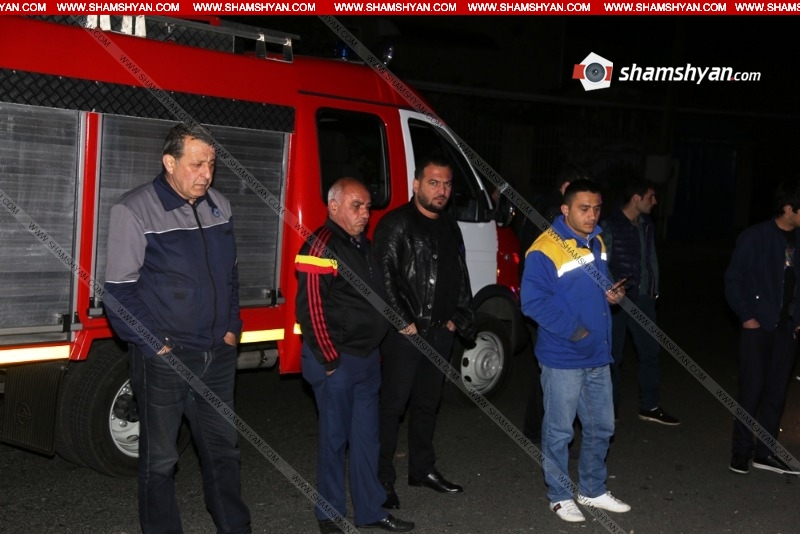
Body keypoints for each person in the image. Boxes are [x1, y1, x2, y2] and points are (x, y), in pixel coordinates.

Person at [104, 123, 251, 534]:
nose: (206, 174)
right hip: (166, 359)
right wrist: (156, 345)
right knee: (161, 461)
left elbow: (230, 276)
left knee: (224, 451)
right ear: (169, 162)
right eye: (196, 164)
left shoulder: (219, 205)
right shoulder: (134, 210)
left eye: (212, 164)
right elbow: (118, 291)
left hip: (216, 354)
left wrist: (232, 328)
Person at [295, 178, 415, 533]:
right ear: (334, 207)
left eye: (367, 207)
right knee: (333, 442)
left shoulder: (363, 245)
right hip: (337, 360)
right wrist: (330, 360)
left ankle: (370, 510)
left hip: (366, 359)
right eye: (356, 206)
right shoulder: (320, 246)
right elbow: (311, 309)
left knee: (366, 440)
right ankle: (329, 515)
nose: (365, 213)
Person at [521, 179, 631, 523]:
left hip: (597, 354)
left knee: (602, 427)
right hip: (563, 358)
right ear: (565, 209)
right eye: (584, 208)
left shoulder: (596, 240)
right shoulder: (544, 249)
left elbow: (598, 285)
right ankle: (558, 496)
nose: (592, 215)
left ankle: (592, 489)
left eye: (596, 208)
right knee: (559, 431)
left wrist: (611, 294)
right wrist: (575, 331)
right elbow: (532, 303)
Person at [374, 155, 476, 510]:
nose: (441, 190)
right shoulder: (397, 223)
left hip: (439, 333)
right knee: (391, 408)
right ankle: (381, 480)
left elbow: (459, 273)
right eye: (434, 183)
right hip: (405, 335)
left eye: (447, 184)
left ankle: (422, 469)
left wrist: (458, 317)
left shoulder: (449, 225)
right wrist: (403, 321)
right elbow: (383, 275)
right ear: (416, 184)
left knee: (428, 405)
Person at [724, 179, 800, 476]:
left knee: (777, 393)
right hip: (758, 326)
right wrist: (747, 316)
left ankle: (765, 453)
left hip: (787, 329)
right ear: (788, 208)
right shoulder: (756, 236)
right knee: (752, 390)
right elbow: (733, 279)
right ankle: (741, 452)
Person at [603, 180, 680, 425]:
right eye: (650, 197)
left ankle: (650, 406)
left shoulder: (646, 224)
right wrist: (611, 289)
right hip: (618, 300)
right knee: (613, 356)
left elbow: (650, 258)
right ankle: (609, 410)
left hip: (643, 299)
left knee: (650, 352)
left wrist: (654, 289)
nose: (655, 202)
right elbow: (602, 261)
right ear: (636, 198)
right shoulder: (611, 224)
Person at [519, 164, 586, 443]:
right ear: (567, 187)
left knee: (546, 368)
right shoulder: (553, 213)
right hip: (547, 303)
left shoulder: (543, 204)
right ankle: (544, 433)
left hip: (543, 300)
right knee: (552, 369)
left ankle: (540, 430)